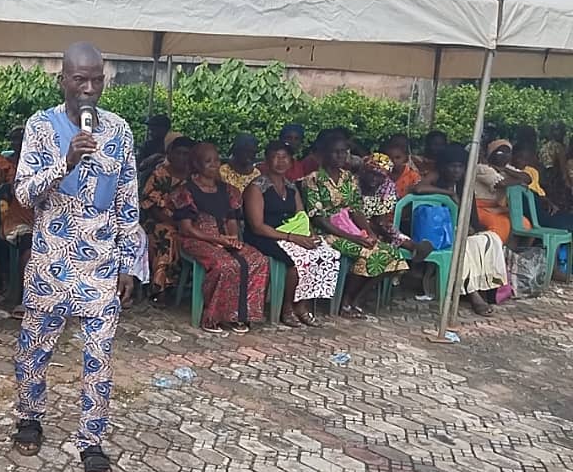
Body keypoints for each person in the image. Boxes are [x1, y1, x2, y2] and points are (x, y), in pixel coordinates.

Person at [10, 42, 140, 472]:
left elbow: (127, 201)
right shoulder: (40, 127)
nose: (88, 89)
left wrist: (128, 264)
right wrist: (66, 162)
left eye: (96, 80)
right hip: (50, 263)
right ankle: (29, 416)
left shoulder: (120, 131)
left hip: (102, 267)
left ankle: (92, 440)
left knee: (100, 359)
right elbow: (24, 194)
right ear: (62, 79)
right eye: (79, 79)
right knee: (33, 352)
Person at [302, 137, 408, 318]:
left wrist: (369, 232)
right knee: (368, 254)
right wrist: (354, 238)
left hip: (350, 228)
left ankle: (356, 300)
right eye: (336, 151)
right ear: (325, 154)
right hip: (327, 233)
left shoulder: (348, 178)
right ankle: (345, 302)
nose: (340, 156)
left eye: (344, 152)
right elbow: (319, 219)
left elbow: (356, 210)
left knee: (392, 254)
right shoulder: (313, 180)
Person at [175, 142, 268, 334]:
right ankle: (213, 316)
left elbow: (232, 219)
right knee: (224, 265)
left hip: (224, 238)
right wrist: (216, 240)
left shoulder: (228, 190)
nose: (214, 164)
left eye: (216, 160)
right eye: (208, 161)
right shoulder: (185, 191)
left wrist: (231, 238)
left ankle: (240, 315)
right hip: (197, 238)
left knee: (258, 260)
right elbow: (187, 228)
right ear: (196, 164)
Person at [244, 141, 340, 327]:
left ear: (291, 161)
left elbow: (300, 215)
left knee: (324, 253)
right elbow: (257, 226)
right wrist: (293, 238)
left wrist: (309, 235)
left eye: (284, 157)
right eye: (275, 157)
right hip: (264, 235)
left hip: (290, 232)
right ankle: (286, 306)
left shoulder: (290, 186)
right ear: (266, 160)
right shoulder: (257, 187)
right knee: (297, 260)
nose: (280, 162)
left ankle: (301, 305)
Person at [416, 145, 508, 316]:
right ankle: (473, 295)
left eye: (460, 166)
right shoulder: (437, 176)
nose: (456, 170)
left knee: (490, 239)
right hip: (439, 232)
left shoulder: (465, 184)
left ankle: (485, 286)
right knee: (463, 247)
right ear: (444, 166)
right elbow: (419, 188)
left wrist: (471, 228)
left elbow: (471, 214)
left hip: (460, 229)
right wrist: (447, 193)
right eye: (452, 166)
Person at [140, 135, 195, 302]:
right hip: (160, 221)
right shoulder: (159, 175)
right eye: (178, 153)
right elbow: (152, 208)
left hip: (192, 224)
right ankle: (159, 288)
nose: (182, 158)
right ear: (169, 153)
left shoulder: (195, 177)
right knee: (167, 235)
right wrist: (177, 224)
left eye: (186, 154)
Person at [357, 153, 433, 261]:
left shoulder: (388, 186)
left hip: (376, 222)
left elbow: (381, 217)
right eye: (372, 174)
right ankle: (413, 247)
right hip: (354, 221)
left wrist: (380, 229)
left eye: (379, 176)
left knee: (386, 229)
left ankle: (414, 247)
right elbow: (353, 211)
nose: (374, 178)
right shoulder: (354, 183)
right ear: (365, 172)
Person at [0, 126, 34, 316]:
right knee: (28, 243)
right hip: (18, 217)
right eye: (15, 140)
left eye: (22, 138)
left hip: (42, 216)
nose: (18, 143)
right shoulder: (5, 164)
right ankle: (26, 297)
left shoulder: (40, 163)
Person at [474, 139, 531, 243]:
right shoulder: (482, 168)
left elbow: (528, 178)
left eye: (508, 152)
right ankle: (495, 253)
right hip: (479, 207)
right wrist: (518, 181)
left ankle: (516, 253)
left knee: (524, 224)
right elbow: (501, 183)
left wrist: (504, 169)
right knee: (500, 225)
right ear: (491, 154)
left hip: (498, 207)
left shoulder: (507, 168)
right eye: (500, 152)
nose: (505, 155)